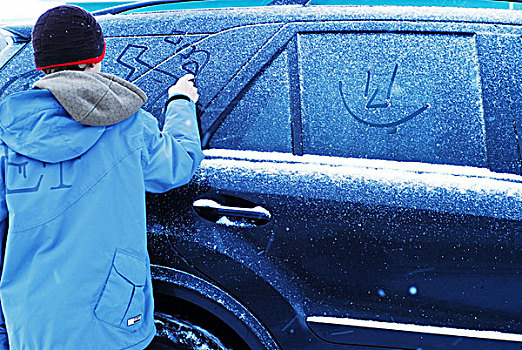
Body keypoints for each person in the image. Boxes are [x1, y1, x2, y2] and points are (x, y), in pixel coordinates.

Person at [0, 5, 204, 350]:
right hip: (110, 310)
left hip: (31, 315)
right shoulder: (129, 124)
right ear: (99, 55)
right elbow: (177, 166)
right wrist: (181, 103)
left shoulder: (8, 131)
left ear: (39, 63)